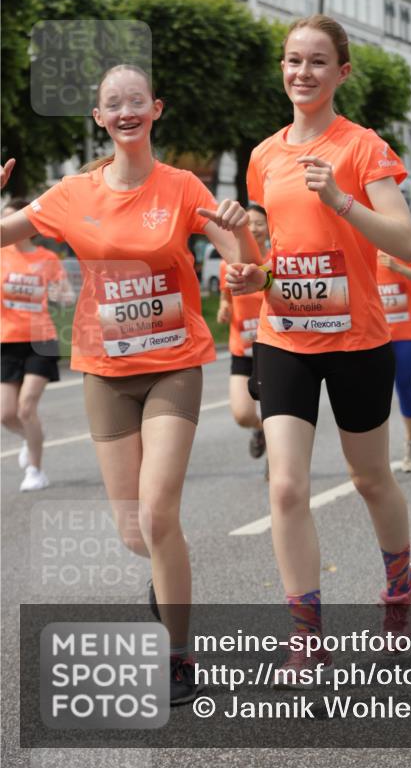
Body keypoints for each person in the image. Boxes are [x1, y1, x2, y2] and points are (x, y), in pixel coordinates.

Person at [0, 64, 260, 705]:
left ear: (155, 110)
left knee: (158, 510)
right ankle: (166, 579)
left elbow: (247, 268)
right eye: (112, 104)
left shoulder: (181, 186)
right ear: (99, 118)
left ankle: (178, 655)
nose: (125, 112)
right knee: (133, 531)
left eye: (135, 101)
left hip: (173, 362)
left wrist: (242, 229)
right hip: (106, 371)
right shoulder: (71, 194)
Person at [222, 15, 411, 683]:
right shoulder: (263, 156)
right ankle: (306, 636)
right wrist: (254, 275)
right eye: (291, 60)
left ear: (341, 72)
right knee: (285, 487)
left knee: (369, 479)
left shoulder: (364, 148)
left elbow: (401, 242)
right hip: (284, 336)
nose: (300, 72)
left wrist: (341, 199)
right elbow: (277, 254)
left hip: (358, 339)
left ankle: (398, 587)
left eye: (315, 61)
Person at [1, 198, 74, 490]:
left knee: (26, 408)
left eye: (10, 220)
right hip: (7, 340)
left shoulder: (47, 259)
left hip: (40, 340)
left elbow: (66, 295)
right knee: (6, 414)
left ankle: (35, 470)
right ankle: (31, 438)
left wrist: (61, 294)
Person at [217, 204, 270, 474]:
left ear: (269, 227)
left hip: (273, 348)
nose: (255, 228)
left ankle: (279, 451)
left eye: (260, 223)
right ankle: (262, 431)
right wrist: (223, 307)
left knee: (278, 412)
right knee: (242, 414)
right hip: (243, 349)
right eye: (249, 223)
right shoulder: (229, 261)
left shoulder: (275, 259)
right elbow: (226, 295)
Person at [376, 236, 411, 472]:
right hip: (374, 334)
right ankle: (374, 456)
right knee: (373, 396)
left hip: (407, 333)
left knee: (404, 387)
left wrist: (397, 267)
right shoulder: (362, 237)